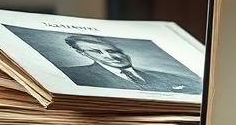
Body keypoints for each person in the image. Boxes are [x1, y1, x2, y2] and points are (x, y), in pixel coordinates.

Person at [60, 35, 202, 93]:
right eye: (97, 51)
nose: (109, 56)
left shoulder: (177, 78)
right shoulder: (72, 76)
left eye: (111, 50)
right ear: (84, 54)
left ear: (122, 52)